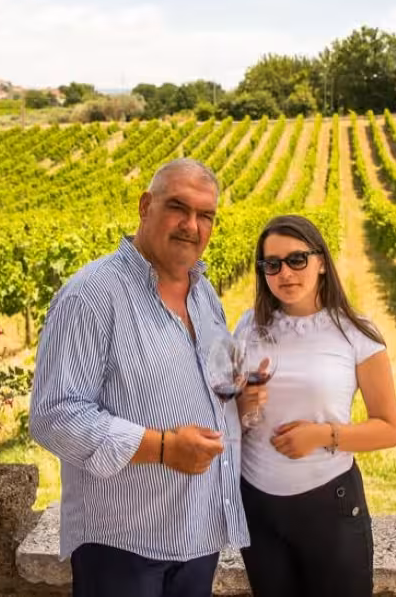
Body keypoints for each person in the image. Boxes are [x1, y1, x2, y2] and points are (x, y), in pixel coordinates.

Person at [30, 158, 248, 597]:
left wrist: (246, 399)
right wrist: (164, 449)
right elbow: (53, 416)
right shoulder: (91, 295)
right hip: (122, 542)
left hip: (196, 533)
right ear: (145, 205)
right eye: (178, 208)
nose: (192, 225)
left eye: (205, 215)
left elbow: (219, 382)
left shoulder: (204, 292)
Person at [233, 214, 396, 597]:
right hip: (258, 509)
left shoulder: (356, 332)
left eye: (297, 259)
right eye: (271, 264)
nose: (285, 273)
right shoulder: (248, 327)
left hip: (330, 507)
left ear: (321, 261)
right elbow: (231, 418)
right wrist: (243, 405)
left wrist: (322, 435)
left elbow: (388, 429)